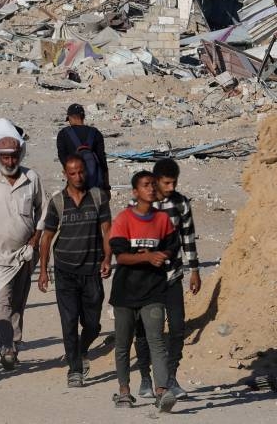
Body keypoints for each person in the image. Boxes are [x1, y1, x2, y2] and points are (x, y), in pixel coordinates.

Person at [37, 155, 112, 387]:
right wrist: (43, 270)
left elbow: (107, 231)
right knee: (68, 322)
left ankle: (81, 349)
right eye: (73, 173)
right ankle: (75, 369)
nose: (78, 177)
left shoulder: (98, 197)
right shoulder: (58, 202)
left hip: (91, 271)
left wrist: (108, 257)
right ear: (65, 174)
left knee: (93, 324)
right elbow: (47, 237)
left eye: (81, 172)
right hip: (65, 272)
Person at [109, 171, 179, 413]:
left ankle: (161, 392)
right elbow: (121, 256)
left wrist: (164, 256)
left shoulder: (163, 220)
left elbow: (172, 247)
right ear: (135, 192)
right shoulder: (123, 219)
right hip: (125, 292)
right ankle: (124, 391)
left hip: (154, 290)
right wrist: (148, 256)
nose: (151, 188)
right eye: (145, 185)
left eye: (153, 184)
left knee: (157, 341)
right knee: (123, 343)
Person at [134, 158, 201, 400]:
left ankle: (171, 377)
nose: (171, 187)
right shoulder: (141, 204)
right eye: (167, 182)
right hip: (146, 280)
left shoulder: (180, 203)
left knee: (176, 328)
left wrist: (194, 270)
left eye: (174, 182)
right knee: (144, 330)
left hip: (173, 276)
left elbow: (188, 237)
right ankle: (144, 377)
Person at [0, 134, 45, 370]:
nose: (9, 161)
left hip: (25, 254)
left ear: (19, 155)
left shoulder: (31, 178)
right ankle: (5, 345)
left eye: (13, 156)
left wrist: (35, 239)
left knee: (18, 301)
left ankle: (14, 344)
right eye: (4, 157)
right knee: (2, 299)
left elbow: (42, 212)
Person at [56, 104, 110, 193]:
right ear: (83, 116)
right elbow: (103, 162)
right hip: (95, 185)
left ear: (70, 118)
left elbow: (64, 161)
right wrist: (107, 187)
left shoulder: (63, 134)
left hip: (74, 187)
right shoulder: (96, 133)